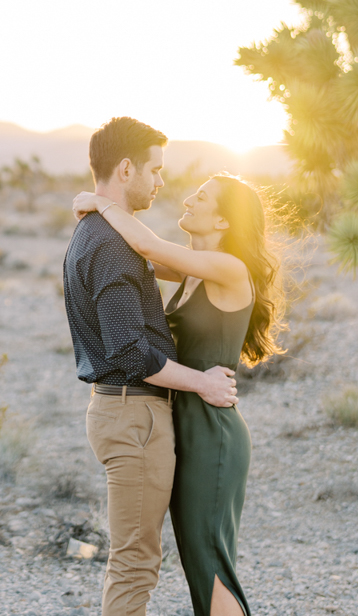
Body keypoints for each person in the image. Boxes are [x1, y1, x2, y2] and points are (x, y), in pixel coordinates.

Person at [73, 171, 284, 616]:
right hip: (187, 422)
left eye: (202, 197)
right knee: (196, 563)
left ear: (224, 222)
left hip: (212, 432)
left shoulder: (228, 267)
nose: (188, 199)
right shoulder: (191, 269)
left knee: (209, 562)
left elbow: (148, 247)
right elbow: (135, 255)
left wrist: (100, 201)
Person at [62, 117, 239, 616]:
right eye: (155, 170)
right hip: (134, 415)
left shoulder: (96, 233)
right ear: (125, 169)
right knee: (135, 564)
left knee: (134, 560)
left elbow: (161, 254)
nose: (162, 182)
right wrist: (201, 382)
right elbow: (129, 351)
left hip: (124, 412)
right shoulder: (109, 244)